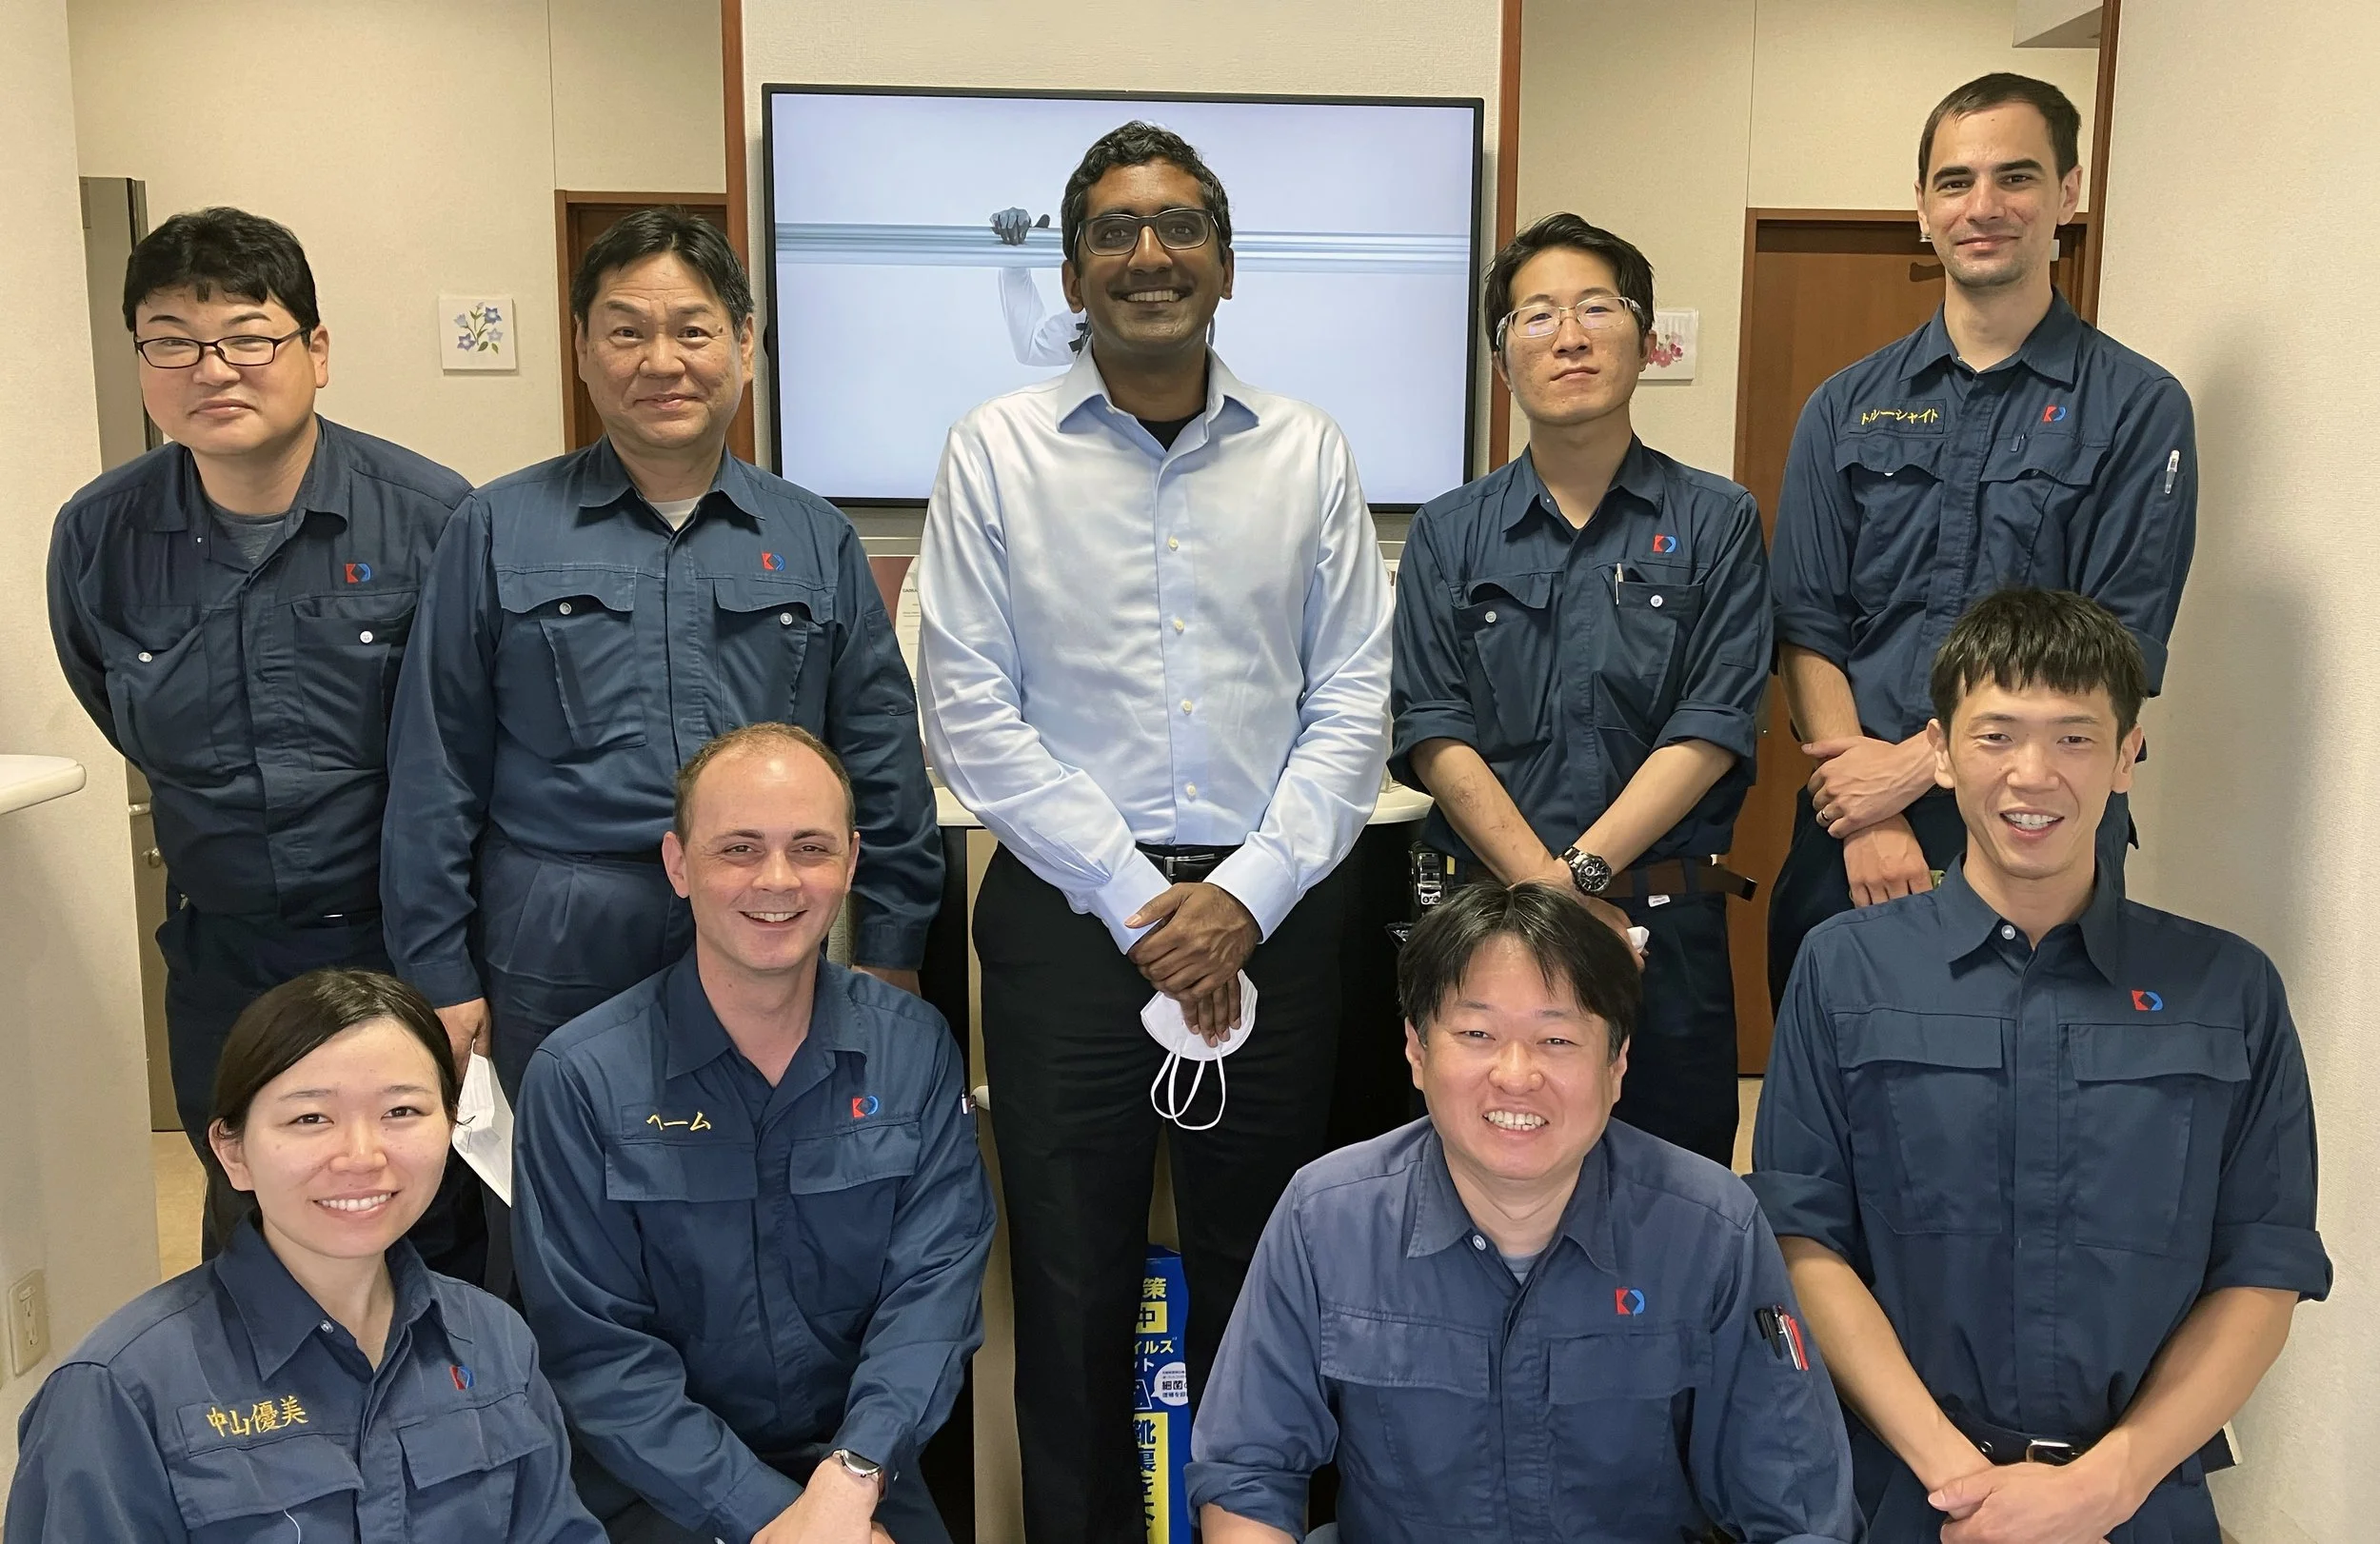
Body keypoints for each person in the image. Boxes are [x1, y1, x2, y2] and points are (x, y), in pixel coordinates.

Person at [917, 121, 1392, 1540]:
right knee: (1068, 1282)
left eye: (1181, 227)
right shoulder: (993, 452)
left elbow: (1352, 697)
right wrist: (1140, 900)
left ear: (1226, 266)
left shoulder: (1308, 452)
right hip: (1070, 928)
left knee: (1272, 1273)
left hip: (1277, 926)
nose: (1149, 255)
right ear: (1072, 274)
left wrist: (1245, 895)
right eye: (1115, 232)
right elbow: (968, 710)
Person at [1752, 588, 2329, 1542]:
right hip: (1908, 1497)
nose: (2034, 775)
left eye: (2074, 737)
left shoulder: (2229, 988)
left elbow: (2262, 1270)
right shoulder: (1844, 969)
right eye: (1996, 735)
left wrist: (2104, 1486)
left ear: (2126, 754)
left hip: (2139, 1502)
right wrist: (1963, 1483)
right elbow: (1802, 1240)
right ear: (1939, 751)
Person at [382, 208, 939, 1100]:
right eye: (626, 332)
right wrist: (437, 970)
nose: (662, 361)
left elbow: (881, 759)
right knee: (559, 1171)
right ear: (581, 347)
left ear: (744, 343)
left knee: (764, 1165)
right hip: (556, 941)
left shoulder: (813, 538)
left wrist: (892, 945)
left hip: (765, 926)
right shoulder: (495, 528)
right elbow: (434, 765)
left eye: (693, 331)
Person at [47, 206, 481, 1271]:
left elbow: (478, 751)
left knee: (426, 1226)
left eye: (248, 336)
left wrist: (453, 968)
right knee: (253, 1231)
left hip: (400, 947)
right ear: (140, 361)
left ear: (315, 351)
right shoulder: (100, 536)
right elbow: (112, 704)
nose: (213, 369)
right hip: (223, 957)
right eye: (171, 341)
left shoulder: (433, 520)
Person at [1189, 882, 1859, 1542]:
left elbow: (1799, 1515)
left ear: (1617, 1064)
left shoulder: (1712, 1226)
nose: (1516, 1075)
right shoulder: (1326, 1217)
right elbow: (1247, 1474)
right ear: (1417, 1052)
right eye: (1477, 1033)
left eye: (1557, 1040)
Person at [1767, 72, 2197, 1005]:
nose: (1984, 206)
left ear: (2068, 193)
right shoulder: (1843, 407)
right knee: (1837, 1077)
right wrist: (1866, 812)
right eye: (1956, 181)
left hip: (2044, 828)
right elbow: (1805, 625)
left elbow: (2117, 647)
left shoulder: (2137, 409)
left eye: (2016, 177)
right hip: (1853, 833)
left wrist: (1913, 769)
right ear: (1922, 207)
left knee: (2034, 1081)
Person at [512, 723, 994, 1544]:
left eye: (810, 848)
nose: (777, 880)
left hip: (862, 1473)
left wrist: (850, 1480)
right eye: (738, 848)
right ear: (678, 865)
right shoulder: (579, 1079)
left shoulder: (914, 1049)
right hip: (656, 1486)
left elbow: (933, 1300)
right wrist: (775, 1518)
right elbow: (596, 1355)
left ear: (851, 862)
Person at [1394, 212, 1770, 1165]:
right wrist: (1550, 900)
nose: (1569, 336)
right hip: (1484, 926)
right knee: (1487, 1173)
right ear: (1501, 358)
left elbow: (1711, 725)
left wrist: (1575, 884)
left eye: (1597, 308)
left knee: (1674, 1180)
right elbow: (1435, 732)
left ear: (1645, 339)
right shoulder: (1448, 531)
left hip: (1661, 925)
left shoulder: (1718, 519)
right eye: (1537, 316)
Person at [6, 969, 601, 1542]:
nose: (362, 1156)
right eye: (310, 1117)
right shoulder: (118, 1392)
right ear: (233, 1152)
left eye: (402, 1111)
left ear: (450, 1125)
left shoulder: (494, 1339)